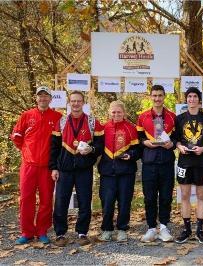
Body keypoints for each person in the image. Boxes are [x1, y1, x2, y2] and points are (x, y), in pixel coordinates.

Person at [49, 91, 104, 247]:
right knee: (61, 202)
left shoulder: (93, 122)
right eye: (73, 101)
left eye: (79, 101)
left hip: (84, 168)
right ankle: (60, 234)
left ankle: (82, 233)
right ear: (69, 103)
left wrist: (91, 149)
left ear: (83, 103)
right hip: (64, 169)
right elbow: (53, 148)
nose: (76, 104)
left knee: (85, 201)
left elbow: (100, 145)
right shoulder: (60, 122)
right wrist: (53, 167)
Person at [11, 86, 62, 245]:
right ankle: (27, 232)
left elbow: (60, 142)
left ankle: (42, 231)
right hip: (29, 165)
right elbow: (17, 137)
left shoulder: (57, 117)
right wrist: (26, 151)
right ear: (36, 98)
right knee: (26, 199)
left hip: (47, 166)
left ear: (50, 99)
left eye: (46, 96)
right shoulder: (26, 115)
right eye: (40, 96)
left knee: (46, 200)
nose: (43, 99)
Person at [174, 87, 203, 244]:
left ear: (199, 100)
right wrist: (180, 147)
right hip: (184, 162)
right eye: (189, 96)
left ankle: (199, 230)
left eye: (195, 96)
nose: (192, 99)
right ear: (186, 99)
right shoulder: (179, 119)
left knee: (200, 196)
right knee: (184, 196)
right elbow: (175, 139)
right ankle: (186, 229)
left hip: (201, 162)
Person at [136, 85, 176, 243]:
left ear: (164, 96)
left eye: (160, 95)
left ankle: (164, 227)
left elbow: (178, 138)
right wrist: (145, 142)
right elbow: (137, 139)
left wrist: (172, 144)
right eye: (154, 95)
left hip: (166, 161)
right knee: (149, 197)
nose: (157, 98)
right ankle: (151, 228)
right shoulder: (142, 117)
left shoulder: (173, 117)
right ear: (150, 97)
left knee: (166, 196)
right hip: (149, 162)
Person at [97, 100, 141, 242]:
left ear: (124, 113)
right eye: (114, 112)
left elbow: (138, 150)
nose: (116, 114)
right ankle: (107, 229)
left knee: (124, 201)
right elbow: (97, 148)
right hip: (107, 172)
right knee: (107, 201)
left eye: (119, 112)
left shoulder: (131, 128)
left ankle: (122, 229)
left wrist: (132, 155)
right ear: (109, 112)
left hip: (126, 172)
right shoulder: (103, 128)